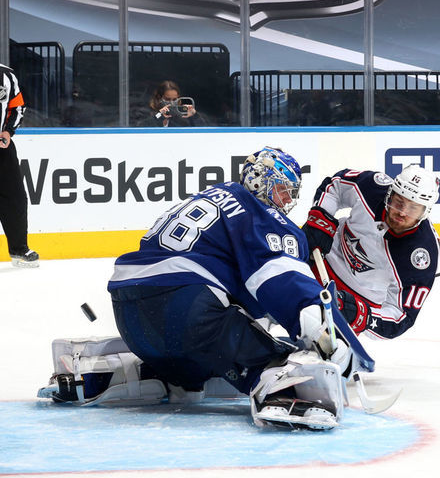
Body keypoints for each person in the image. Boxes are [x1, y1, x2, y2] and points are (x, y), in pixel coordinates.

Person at [37, 147, 357, 431]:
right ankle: (284, 388)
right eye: (283, 190)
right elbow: (283, 281)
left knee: (191, 374)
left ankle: (120, 375)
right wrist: (320, 332)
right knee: (276, 358)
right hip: (184, 308)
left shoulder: (207, 197)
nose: (287, 201)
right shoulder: (260, 214)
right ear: (261, 182)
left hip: (130, 310)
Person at [302, 165, 440, 339]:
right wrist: (321, 219)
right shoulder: (373, 187)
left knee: (321, 348)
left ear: (424, 212)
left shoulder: (422, 255)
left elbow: (401, 318)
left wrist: (363, 316)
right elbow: (335, 185)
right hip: (320, 257)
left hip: (353, 299)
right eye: (399, 202)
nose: (402, 213)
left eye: (413, 208)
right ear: (390, 193)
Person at [0, 63, 39, 268]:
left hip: (2, 149)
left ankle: (19, 249)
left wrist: (8, 131)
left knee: (14, 197)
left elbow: (17, 106)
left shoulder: (6, 75)